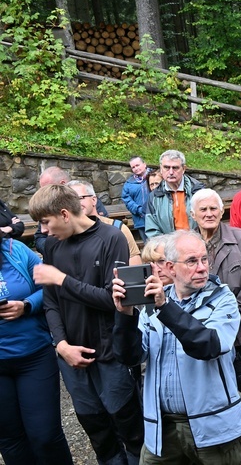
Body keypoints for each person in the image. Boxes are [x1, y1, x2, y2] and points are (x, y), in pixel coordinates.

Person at [112, 230, 241, 464]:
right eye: (191, 261)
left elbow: (209, 346)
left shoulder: (222, 299)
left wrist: (166, 308)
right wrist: (124, 315)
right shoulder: (152, 303)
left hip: (213, 428)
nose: (202, 267)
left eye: (204, 259)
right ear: (170, 267)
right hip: (162, 428)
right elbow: (131, 356)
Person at [28, 184, 143, 465]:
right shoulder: (53, 245)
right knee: (98, 434)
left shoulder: (111, 238)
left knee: (130, 429)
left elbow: (111, 299)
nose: (43, 231)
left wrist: (61, 279)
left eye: (46, 222)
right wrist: (61, 345)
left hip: (111, 356)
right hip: (73, 359)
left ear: (65, 214)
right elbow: (51, 302)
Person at [189, 188, 241, 461]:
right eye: (203, 210)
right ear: (193, 214)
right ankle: (222, 434)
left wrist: (227, 317)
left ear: (221, 211)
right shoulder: (186, 244)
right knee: (212, 384)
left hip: (240, 329)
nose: (209, 214)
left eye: (213, 209)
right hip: (199, 330)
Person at [0, 235, 74, 465]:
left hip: (33, 356)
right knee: (10, 440)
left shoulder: (16, 251)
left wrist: (27, 305)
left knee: (45, 436)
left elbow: (49, 286)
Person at [34, 166, 108, 252]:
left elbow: (103, 223)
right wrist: (54, 248)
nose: (44, 194)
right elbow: (40, 237)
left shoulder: (87, 200)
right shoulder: (48, 206)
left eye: (47, 188)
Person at [68, 180, 142, 265]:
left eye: (80, 198)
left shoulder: (117, 228)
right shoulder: (65, 235)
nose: (75, 204)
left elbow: (135, 266)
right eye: (70, 200)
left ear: (94, 200)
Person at [145, 150, 204, 237]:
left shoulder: (198, 191)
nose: (171, 172)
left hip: (198, 246)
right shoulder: (154, 197)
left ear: (184, 169)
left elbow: (209, 221)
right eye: (166, 167)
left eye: (175, 168)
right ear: (161, 169)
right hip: (169, 247)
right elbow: (152, 230)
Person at [121, 156, 152, 242]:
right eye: (133, 167)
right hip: (140, 220)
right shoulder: (129, 183)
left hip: (156, 218)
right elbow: (126, 199)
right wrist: (138, 209)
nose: (136, 168)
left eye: (137, 165)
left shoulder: (155, 177)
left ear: (144, 164)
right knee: (148, 246)